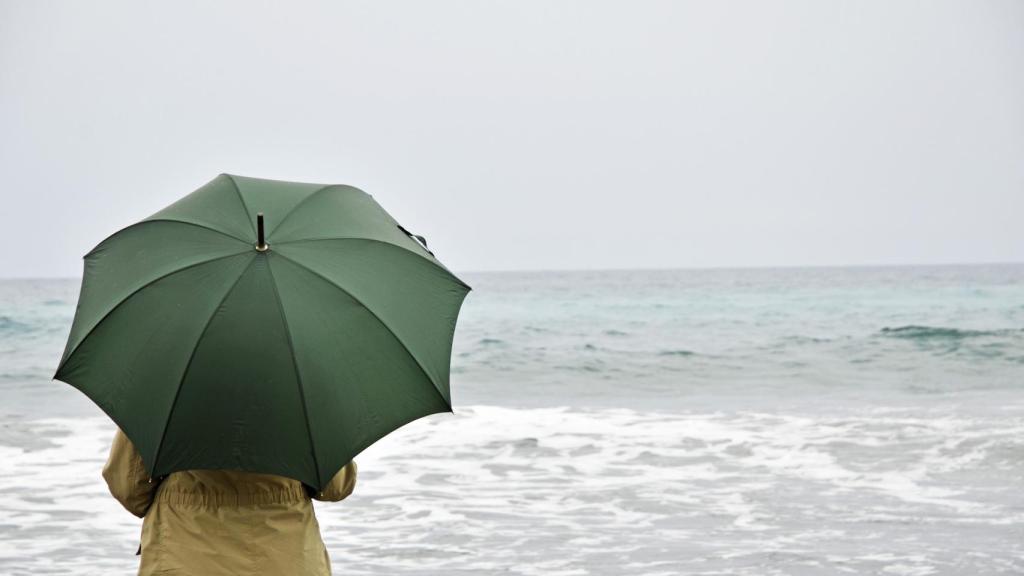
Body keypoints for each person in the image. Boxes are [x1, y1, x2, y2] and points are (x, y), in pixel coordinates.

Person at [102, 427, 357, 576]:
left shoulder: (166, 384)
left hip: (184, 554)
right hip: (287, 557)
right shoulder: (303, 389)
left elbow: (128, 486)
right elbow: (335, 486)